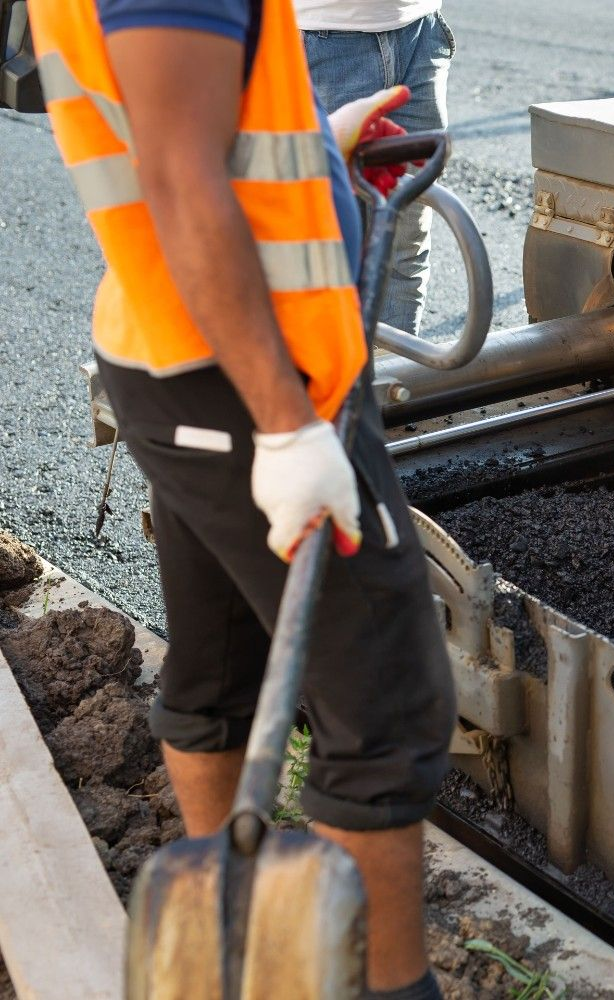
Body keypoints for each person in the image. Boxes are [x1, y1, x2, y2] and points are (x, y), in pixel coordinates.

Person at [29, 0, 456, 996]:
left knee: (219, 663)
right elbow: (181, 176)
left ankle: (222, 945)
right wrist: (285, 424)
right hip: (244, 382)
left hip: (178, 359)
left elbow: (194, 131)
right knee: (386, 708)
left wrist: (319, 154)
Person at [297, 0, 454, 336]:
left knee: (404, 243)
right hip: (323, 36)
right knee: (328, 249)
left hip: (419, 28)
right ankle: (334, 383)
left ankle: (391, 380)